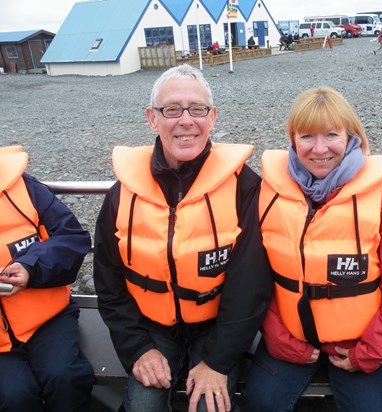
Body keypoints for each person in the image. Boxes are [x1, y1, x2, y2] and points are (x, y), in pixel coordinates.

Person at [93, 64, 273, 412]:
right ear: (152, 118)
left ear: (213, 116)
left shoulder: (244, 187)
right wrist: (137, 350)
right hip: (151, 329)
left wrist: (219, 362)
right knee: (143, 406)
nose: (186, 121)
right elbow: (108, 283)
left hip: (216, 327)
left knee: (209, 406)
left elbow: (249, 287)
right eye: (172, 110)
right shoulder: (122, 193)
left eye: (197, 109)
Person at [241, 86, 382, 411]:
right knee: (260, 403)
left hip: (364, 342)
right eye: (307, 136)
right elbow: (254, 277)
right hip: (290, 339)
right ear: (293, 139)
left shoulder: (381, 196)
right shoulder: (269, 194)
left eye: (331, 135)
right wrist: (279, 338)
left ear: (351, 136)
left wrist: (370, 350)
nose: (319, 148)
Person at [0, 145, 94, 411]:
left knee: (66, 377)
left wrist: (31, 267)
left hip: (48, 321)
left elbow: (72, 237)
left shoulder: (22, 186)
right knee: (15, 396)